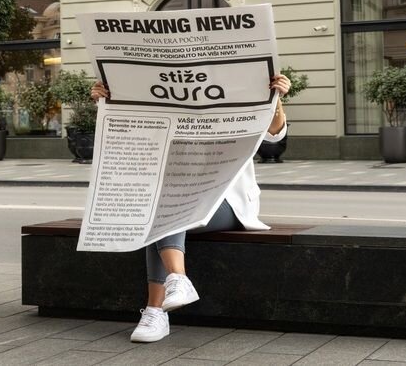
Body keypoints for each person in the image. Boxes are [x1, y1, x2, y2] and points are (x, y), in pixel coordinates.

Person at [89, 73, 292, 343]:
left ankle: (156, 309)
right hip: (173, 197)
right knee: (164, 207)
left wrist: (276, 97)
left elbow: (273, 136)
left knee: (165, 209)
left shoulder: (233, 92)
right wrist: (107, 102)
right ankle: (176, 283)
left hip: (228, 202)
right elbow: (129, 134)